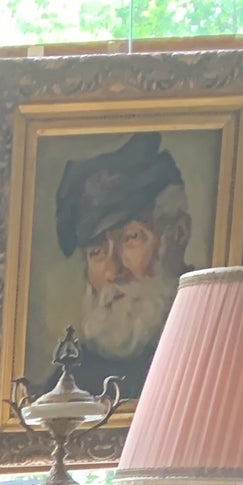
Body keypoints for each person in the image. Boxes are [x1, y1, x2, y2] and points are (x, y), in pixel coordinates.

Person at [53, 130, 191, 402]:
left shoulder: (213, 349)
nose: (113, 271)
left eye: (131, 238)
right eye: (97, 252)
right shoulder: (73, 376)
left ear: (179, 233)